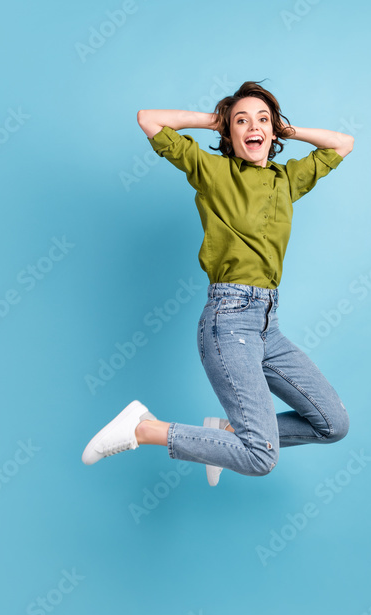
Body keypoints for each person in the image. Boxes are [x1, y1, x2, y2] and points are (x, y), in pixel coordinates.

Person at [82, 80, 353, 485]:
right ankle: (144, 428)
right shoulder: (213, 172)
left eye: (262, 120)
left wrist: (281, 127)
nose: (253, 127)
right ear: (229, 132)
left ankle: (225, 432)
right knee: (260, 457)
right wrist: (217, 121)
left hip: (268, 325)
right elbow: (149, 120)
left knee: (333, 424)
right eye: (241, 121)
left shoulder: (286, 179)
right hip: (229, 319)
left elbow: (343, 143)